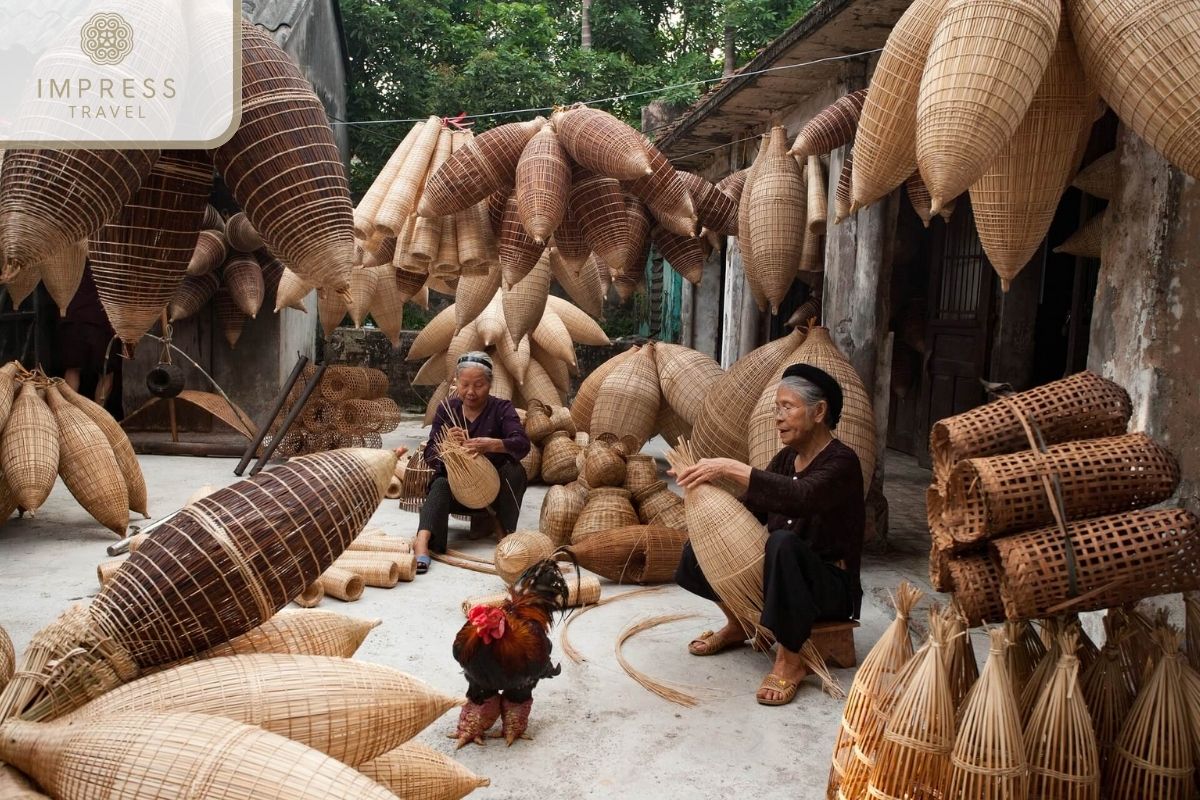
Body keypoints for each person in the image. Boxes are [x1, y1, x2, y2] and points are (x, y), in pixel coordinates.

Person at [672, 363, 864, 706]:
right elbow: (749, 510)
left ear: (819, 411)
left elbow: (800, 497)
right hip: (781, 576)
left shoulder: (843, 462)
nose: (778, 417)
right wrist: (706, 497)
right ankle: (740, 623)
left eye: (787, 407)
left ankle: (791, 661)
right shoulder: (787, 458)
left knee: (782, 542)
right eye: (777, 408)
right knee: (698, 551)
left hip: (827, 586)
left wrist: (731, 466)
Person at [413, 351, 531, 574]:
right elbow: (428, 454)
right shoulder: (447, 409)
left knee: (515, 472)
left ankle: (504, 530)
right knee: (440, 484)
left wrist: (492, 444)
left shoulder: (502, 408)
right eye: (465, 384)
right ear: (456, 382)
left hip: (493, 492)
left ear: (490, 384)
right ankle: (423, 540)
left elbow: (522, 444)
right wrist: (446, 444)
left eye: (478, 385)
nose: (470, 392)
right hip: (458, 492)